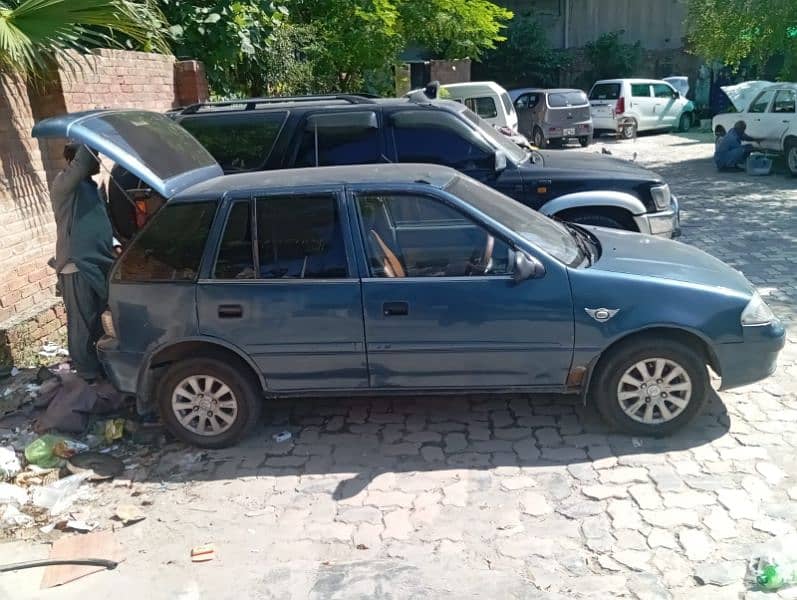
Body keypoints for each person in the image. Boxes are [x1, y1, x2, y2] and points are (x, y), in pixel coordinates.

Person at [51, 144, 115, 383]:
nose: (97, 160)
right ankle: (87, 374)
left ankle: (99, 367)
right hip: (76, 266)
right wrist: (89, 136)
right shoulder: (64, 185)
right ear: (76, 160)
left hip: (97, 264)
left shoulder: (90, 187)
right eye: (94, 156)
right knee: (82, 323)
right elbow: (82, 162)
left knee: (99, 318)